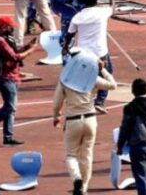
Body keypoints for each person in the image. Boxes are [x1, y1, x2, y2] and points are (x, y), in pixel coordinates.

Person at [52, 52, 117, 195]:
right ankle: (84, 187)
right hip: (90, 120)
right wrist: (103, 70)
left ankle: (77, 178)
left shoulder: (65, 79)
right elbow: (113, 85)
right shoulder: (91, 78)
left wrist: (56, 116)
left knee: (71, 155)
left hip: (72, 120)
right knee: (87, 155)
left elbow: (56, 103)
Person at [0, 17, 38, 146]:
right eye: (11, 26)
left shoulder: (5, 39)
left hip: (12, 76)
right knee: (10, 107)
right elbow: (15, 57)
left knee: (11, 108)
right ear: (4, 27)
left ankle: (8, 137)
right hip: (5, 78)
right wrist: (31, 50)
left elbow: (13, 53)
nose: (13, 29)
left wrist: (27, 46)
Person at [67, 0, 116, 112]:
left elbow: (70, 35)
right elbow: (112, 7)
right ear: (97, 1)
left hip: (83, 53)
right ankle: (100, 101)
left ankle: (83, 100)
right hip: (100, 51)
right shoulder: (102, 12)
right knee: (106, 73)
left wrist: (65, 47)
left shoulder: (77, 17)